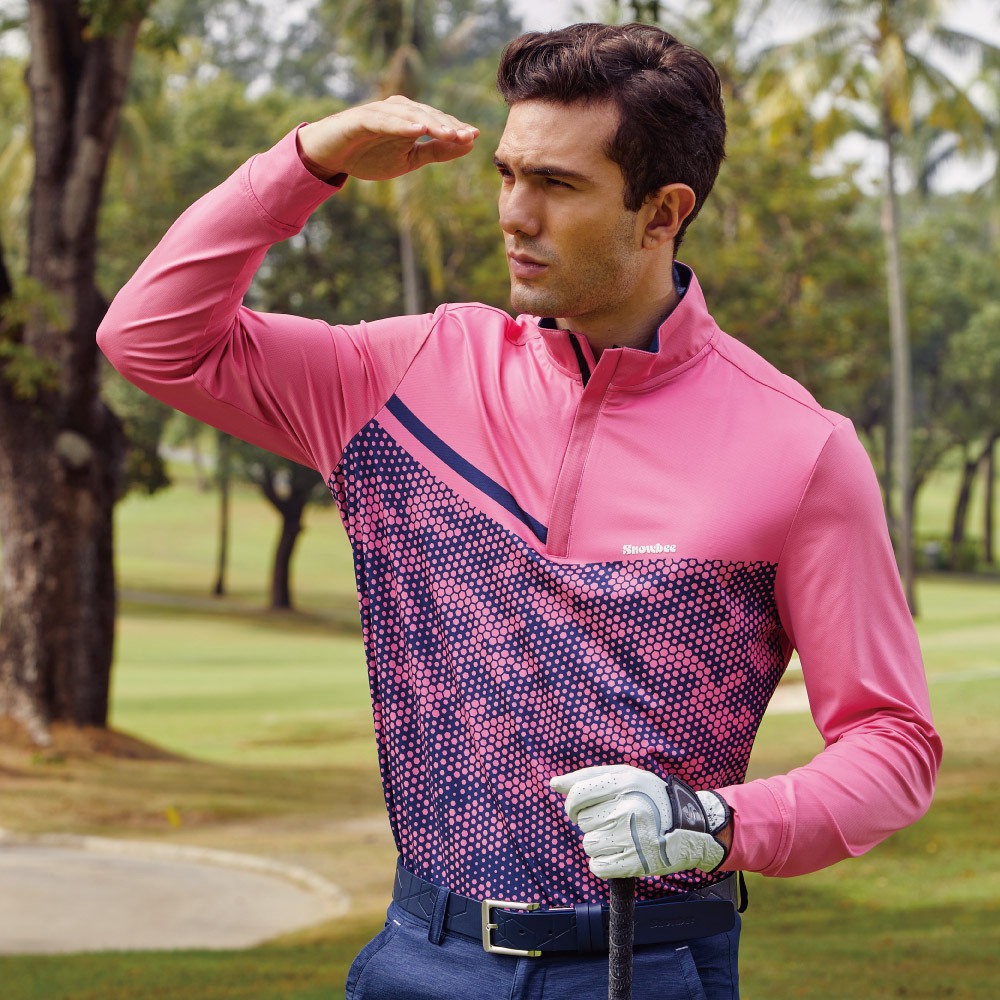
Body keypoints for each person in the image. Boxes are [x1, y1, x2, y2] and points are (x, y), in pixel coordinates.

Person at [97, 22, 941, 1000]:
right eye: (506, 173)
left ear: (662, 212)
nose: (514, 214)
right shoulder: (407, 374)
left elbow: (893, 745)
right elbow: (151, 337)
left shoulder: (800, 449)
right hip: (419, 956)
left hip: (645, 967)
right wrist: (307, 160)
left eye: (557, 184)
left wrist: (716, 821)